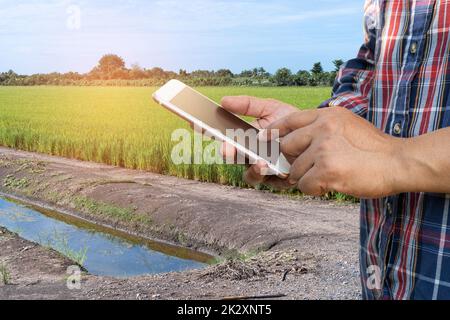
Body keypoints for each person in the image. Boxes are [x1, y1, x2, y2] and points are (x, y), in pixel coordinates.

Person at [221, 0, 450, 300]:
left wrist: (392, 157)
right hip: (384, 278)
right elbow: (365, 78)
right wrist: (309, 130)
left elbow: (385, 153)